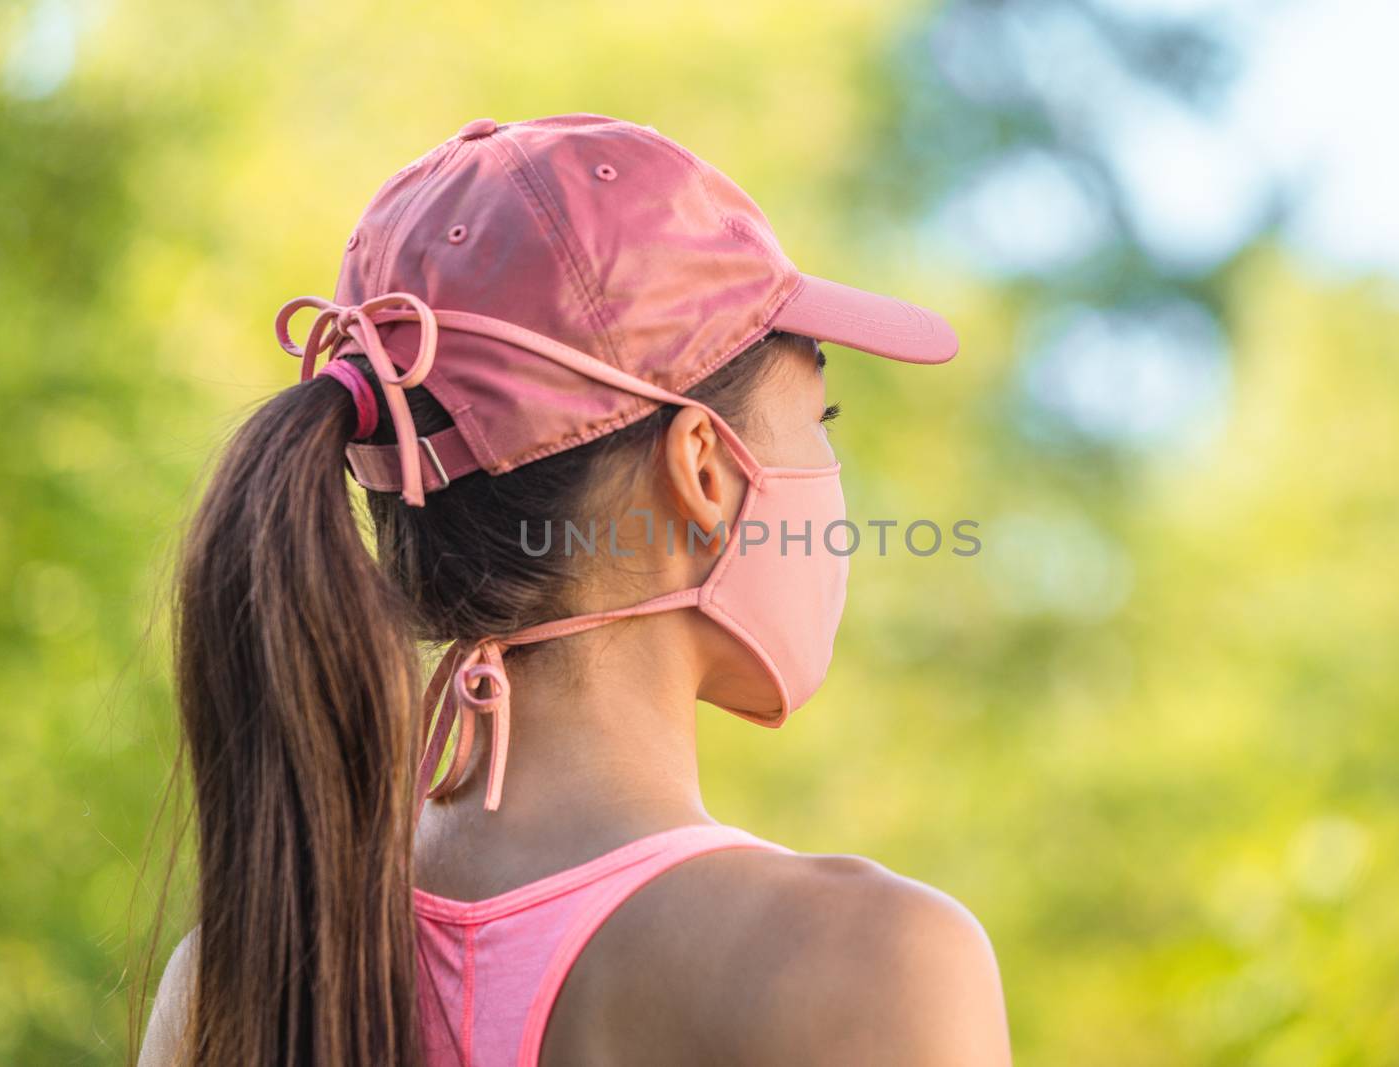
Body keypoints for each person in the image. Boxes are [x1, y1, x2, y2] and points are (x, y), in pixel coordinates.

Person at [138, 113, 1010, 1066]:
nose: (835, 473)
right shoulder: (872, 962)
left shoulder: (230, 984)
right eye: (820, 417)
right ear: (704, 471)